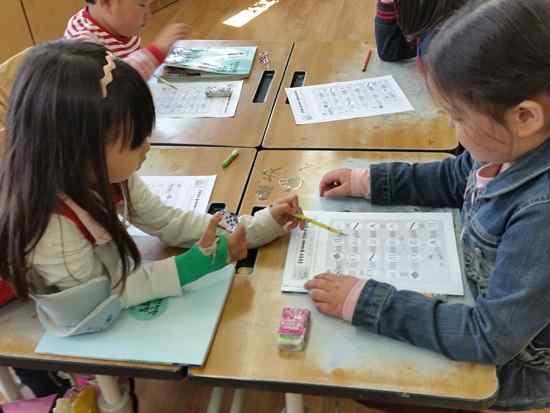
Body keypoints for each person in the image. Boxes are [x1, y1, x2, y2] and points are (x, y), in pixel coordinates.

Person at [308, 0, 550, 409]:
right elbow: (457, 177)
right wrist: (368, 182)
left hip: (516, 366)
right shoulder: (510, 147)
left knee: (367, 379)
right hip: (473, 296)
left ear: (525, 117)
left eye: (456, 116)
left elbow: (488, 337)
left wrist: (367, 301)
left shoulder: (541, 213)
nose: (451, 129)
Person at [0, 40, 303, 338]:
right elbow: (102, 299)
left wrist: (263, 223)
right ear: (80, 151)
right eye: (135, 141)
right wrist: (193, 265)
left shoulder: (106, 173)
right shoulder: (51, 227)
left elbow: (168, 221)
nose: (147, 146)